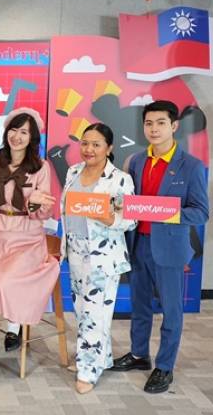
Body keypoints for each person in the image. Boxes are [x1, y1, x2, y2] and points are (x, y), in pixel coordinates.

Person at [111, 100, 209, 394]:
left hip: (169, 249)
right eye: (149, 123)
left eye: (161, 123)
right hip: (138, 244)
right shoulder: (136, 161)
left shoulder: (191, 166)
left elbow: (200, 213)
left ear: (174, 126)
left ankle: (165, 366)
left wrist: (167, 212)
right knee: (139, 306)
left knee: (171, 310)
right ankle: (139, 354)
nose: (154, 129)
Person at [0, 107, 59, 391]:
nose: (17, 136)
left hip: (28, 239)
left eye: (24, 132)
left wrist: (36, 204)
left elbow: (45, 212)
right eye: (14, 130)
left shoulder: (41, 168)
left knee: (6, 283)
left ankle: (14, 326)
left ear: (32, 138)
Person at [59, 123, 136, 393]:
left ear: (109, 148)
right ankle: (99, 357)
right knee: (83, 310)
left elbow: (131, 220)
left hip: (103, 256)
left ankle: (88, 371)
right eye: (85, 143)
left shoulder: (120, 179)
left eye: (96, 144)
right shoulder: (73, 171)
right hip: (75, 250)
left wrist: (109, 219)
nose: (89, 149)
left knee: (96, 313)